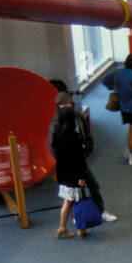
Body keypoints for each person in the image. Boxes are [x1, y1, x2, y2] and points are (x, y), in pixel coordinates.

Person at [55, 91, 116, 222]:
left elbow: (85, 134)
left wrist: (87, 146)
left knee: (83, 190)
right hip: (71, 165)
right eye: (65, 105)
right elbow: (59, 147)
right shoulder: (58, 125)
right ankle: (84, 217)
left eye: (69, 104)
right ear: (59, 106)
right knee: (79, 192)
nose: (68, 106)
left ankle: (72, 222)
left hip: (74, 163)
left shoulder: (77, 117)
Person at [50, 96, 95, 239]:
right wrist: (81, 176)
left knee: (67, 202)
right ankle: (80, 229)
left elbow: (56, 152)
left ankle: (62, 227)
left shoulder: (57, 134)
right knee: (78, 202)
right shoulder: (73, 137)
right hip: (75, 175)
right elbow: (78, 159)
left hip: (63, 175)